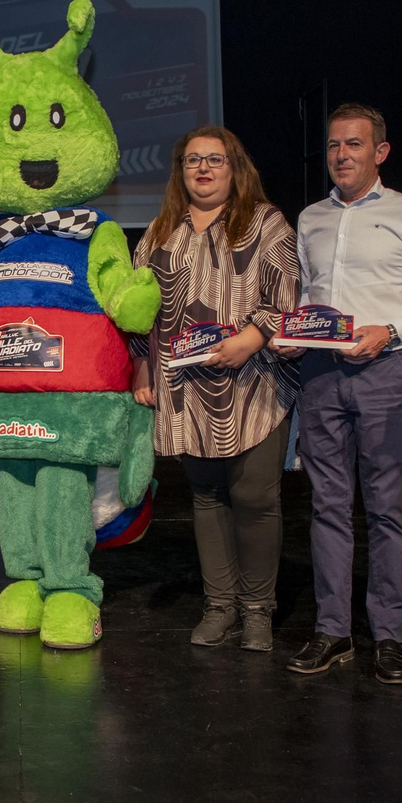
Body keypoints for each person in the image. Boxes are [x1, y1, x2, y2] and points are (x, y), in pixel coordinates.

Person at [276, 104, 402, 683]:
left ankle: (390, 637)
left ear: (381, 151)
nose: (342, 155)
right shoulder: (310, 218)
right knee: (326, 505)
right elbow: (306, 296)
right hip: (321, 375)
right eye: (333, 146)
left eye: (354, 145)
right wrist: (294, 334)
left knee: (386, 507)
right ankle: (333, 631)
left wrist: (391, 332)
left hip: (386, 371)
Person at [131, 125, 301, 652]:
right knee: (205, 496)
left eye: (215, 161)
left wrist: (250, 340)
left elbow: (289, 296)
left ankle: (257, 611)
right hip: (184, 388)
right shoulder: (161, 230)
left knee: (255, 496)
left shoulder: (266, 223)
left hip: (254, 381)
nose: (203, 170)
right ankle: (220, 605)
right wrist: (141, 367)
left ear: (235, 168)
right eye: (192, 161)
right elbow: (139, 310)